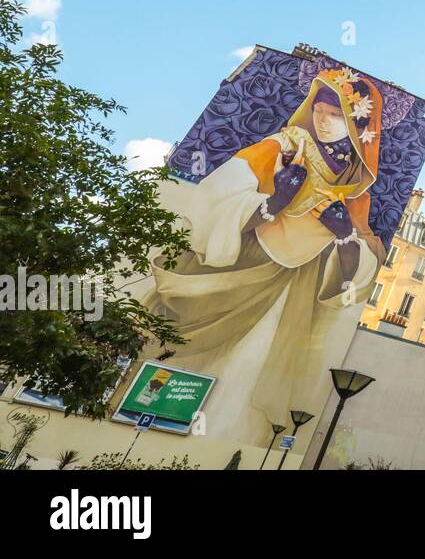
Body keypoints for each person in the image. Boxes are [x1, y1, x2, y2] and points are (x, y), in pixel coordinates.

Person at [139, 67, 385, 444]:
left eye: (336, 114)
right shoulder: (285, 145)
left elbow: (364, 263)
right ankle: (153, 430)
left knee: (248, 373)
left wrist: (345, 235)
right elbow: (215, 194)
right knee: (196, 360)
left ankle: (214, 450)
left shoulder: (356, 186)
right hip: (239, 268)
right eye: (319, 109)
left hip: (295, 290)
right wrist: (274, 203)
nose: (323, 120)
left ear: (358, 123)